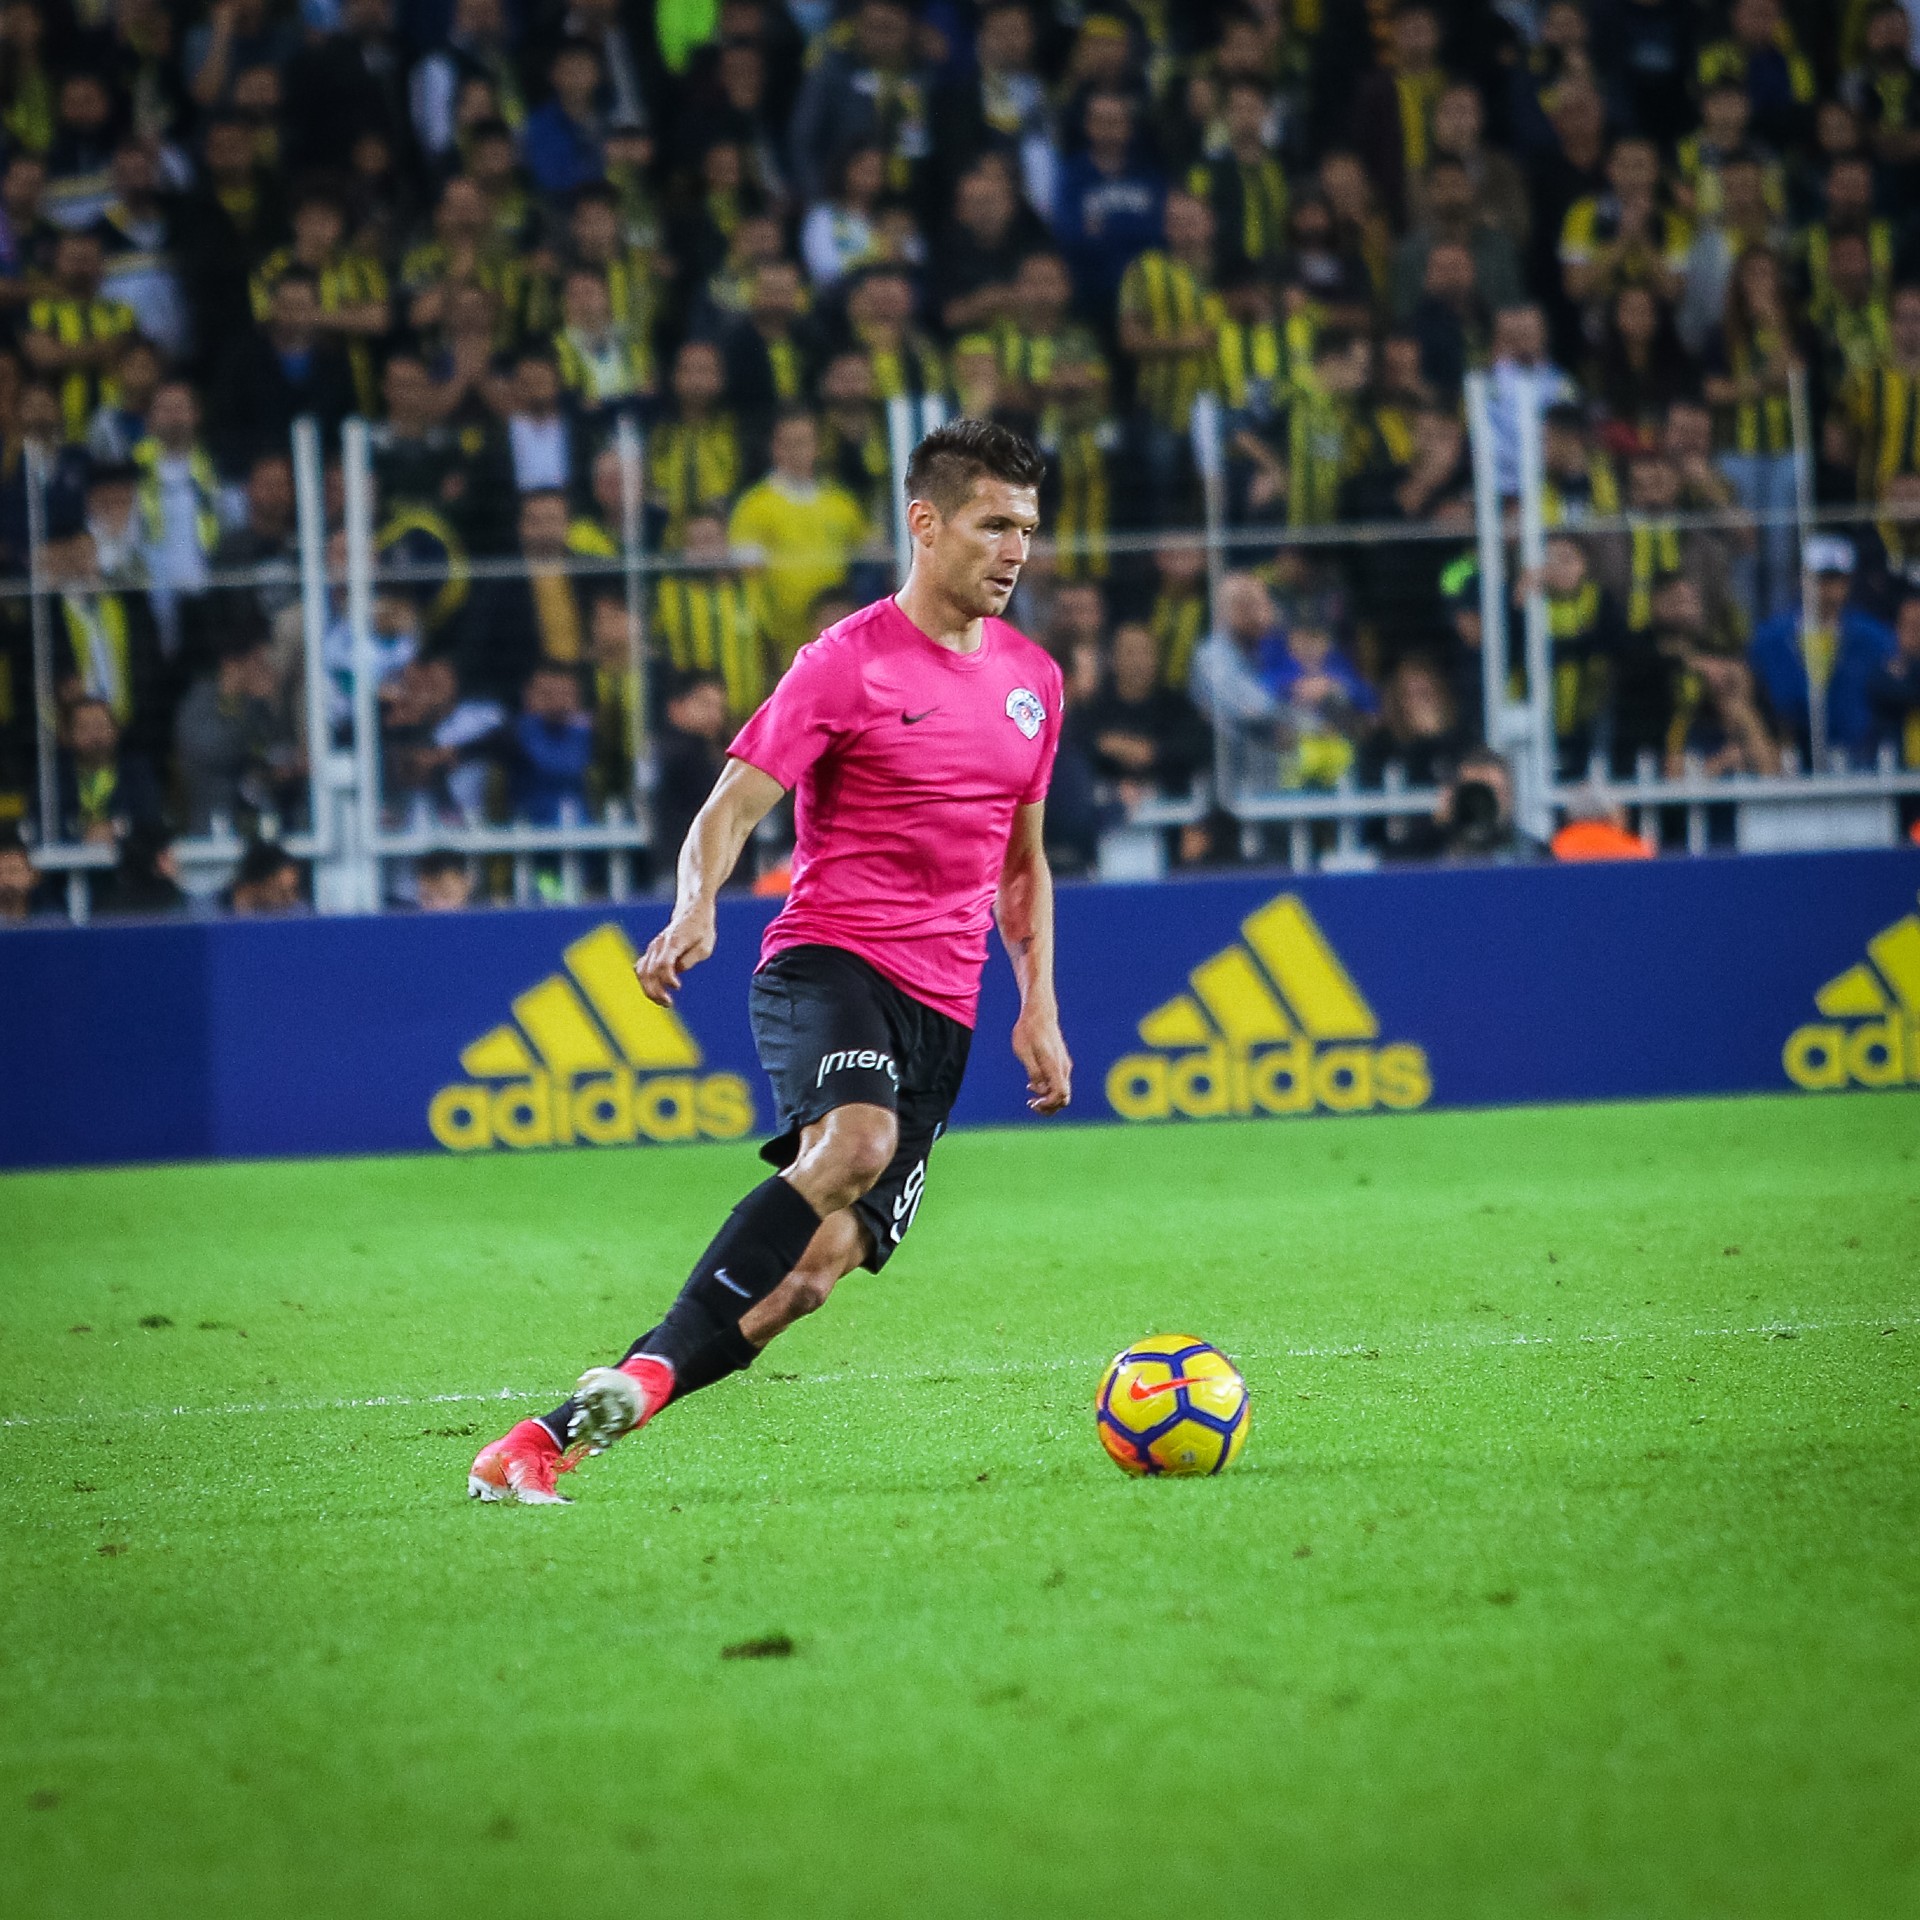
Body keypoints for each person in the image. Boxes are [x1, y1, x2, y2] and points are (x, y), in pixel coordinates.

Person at [469, 419, 1071, 1503]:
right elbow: (731, 804)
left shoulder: (1036, 680)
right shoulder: (845, 663)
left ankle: (563, 1428)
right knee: (856, 1142)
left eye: (1027, 528)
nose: (1016, 550)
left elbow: (1020, 865)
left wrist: (1039, 1006)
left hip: (946, 1009)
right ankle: (615, 1394)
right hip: (831, 963)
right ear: (925, 523)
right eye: (994, 525)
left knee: (811, 1276)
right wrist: (695, 906)